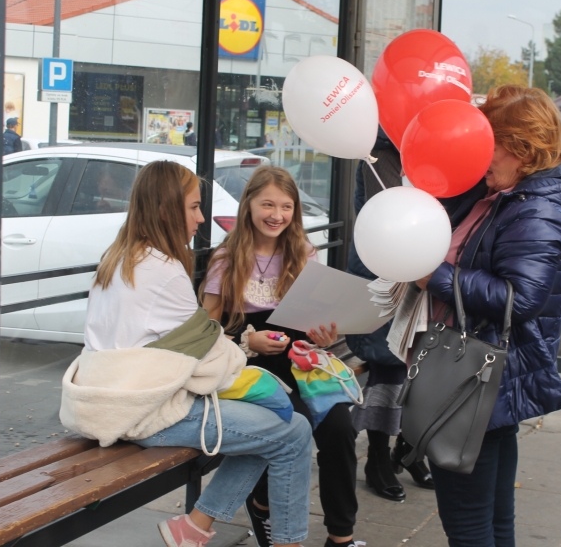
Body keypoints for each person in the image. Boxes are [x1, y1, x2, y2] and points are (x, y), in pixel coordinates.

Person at [59, 160, 313, 547]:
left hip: (109, 403)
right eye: (194, 207)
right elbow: (209, 356)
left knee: (270, 429)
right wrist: (247, 358)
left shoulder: (120, 257)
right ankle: (275, 541)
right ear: (166, 209)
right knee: (292, 431)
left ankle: (194, 528)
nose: (200, 218)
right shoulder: (163, 270)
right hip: (144, 413)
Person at [416, 85, 561, 547]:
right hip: (486, 377)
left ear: (523, 150)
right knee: (493, 518)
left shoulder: (537, 210)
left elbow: (518, 298)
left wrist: (431, 275)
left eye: (489, 145)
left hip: (475, 377)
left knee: (469, 525)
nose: (479, 157)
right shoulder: (509, 195)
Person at [201, 167, 361, 547]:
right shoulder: (226, 259)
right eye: (268, 205)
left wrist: (324, 335)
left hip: (300, 363)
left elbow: (314, 321)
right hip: (250, 368)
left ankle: (341, 537)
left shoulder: (303, 252)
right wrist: (248, 341)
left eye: (286, 206)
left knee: (340, 428)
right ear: (249, 205)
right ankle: (263, 504)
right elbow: (205, 332)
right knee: (294, 425)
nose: (277, 215)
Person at [344, 128, 434, 503]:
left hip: (429, 273)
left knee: (428, 362)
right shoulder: (381, 151)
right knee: (390, 359)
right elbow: (386, 221)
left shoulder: (438, 146)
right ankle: (379, 456)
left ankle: (410, 448)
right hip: (385, 274)